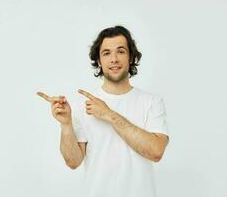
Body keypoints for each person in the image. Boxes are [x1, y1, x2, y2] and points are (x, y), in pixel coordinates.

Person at [37, 25, 169, 197]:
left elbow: (156, 151)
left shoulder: (152, 102)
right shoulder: (82, 105)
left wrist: (109, 114)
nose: (114, 59)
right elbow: (73, 162)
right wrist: (66, 124)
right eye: (106, 53)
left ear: (131, 57)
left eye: (120, 51)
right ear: (99, 61)